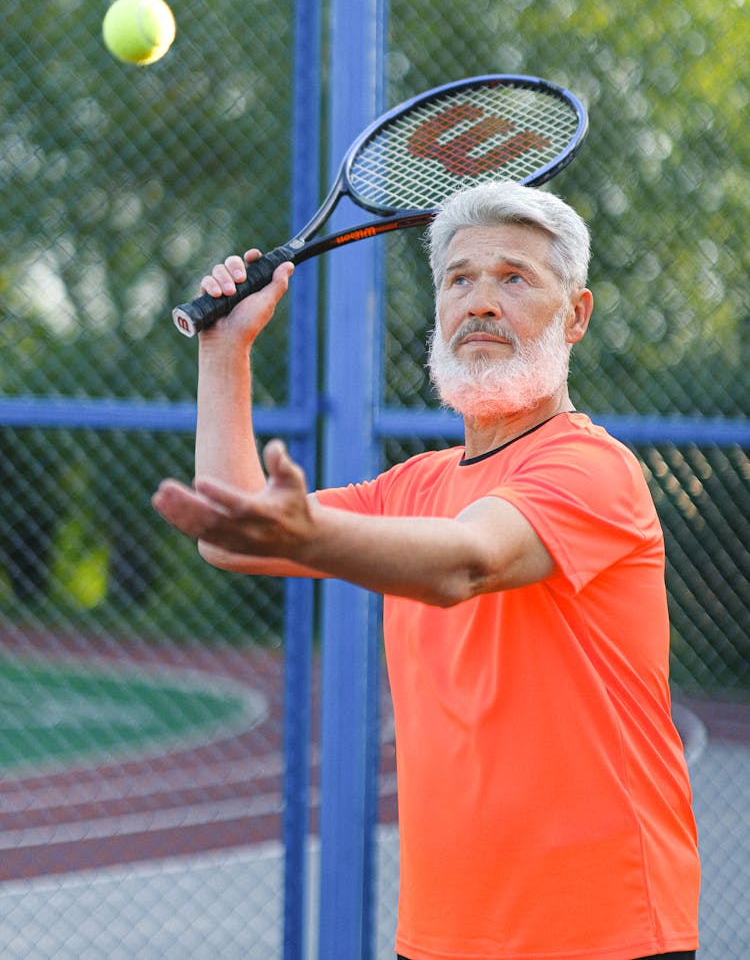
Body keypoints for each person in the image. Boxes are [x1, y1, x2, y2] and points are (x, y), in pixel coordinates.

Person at [152, 179, 700, 960]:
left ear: (575, 315)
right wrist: (224, 352)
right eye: (459, 278)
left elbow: (467, 562)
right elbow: (234, 536)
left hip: (605, 935)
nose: (480, 300)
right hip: (442, 935)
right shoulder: (414, 486)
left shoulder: (592, 468)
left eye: (514, 277)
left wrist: (307, 533)